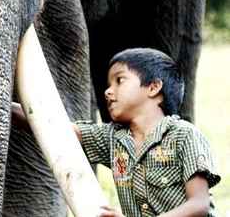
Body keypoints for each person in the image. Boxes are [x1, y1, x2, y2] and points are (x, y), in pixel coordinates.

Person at [12, 47, 221, 217]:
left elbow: (199, 205)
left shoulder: (184, 136)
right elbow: (53, 126)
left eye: (119, 80)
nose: (108, 91)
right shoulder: (113, 138)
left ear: (153, 88)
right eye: (108, 84)